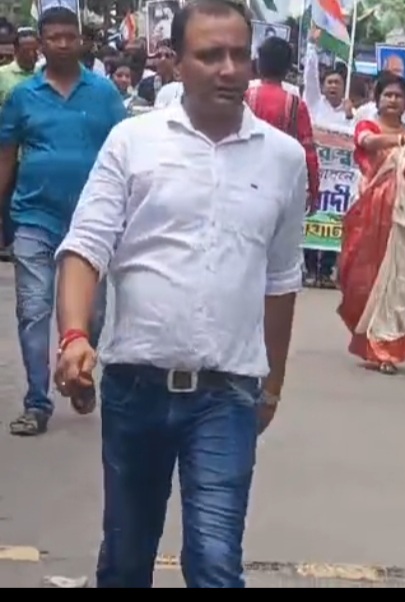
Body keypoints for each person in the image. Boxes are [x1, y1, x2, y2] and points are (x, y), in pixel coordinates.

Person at [54, 0, 305, 586]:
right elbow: (86, 246)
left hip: (227, 395)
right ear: (178, 62)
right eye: (210, 55)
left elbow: (281, 279)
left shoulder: (284, 159)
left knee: (215, 562)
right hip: (134, 387)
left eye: (239, 54)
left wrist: (271, 386)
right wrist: (73, 336)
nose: (229, 68)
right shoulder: (132, 142)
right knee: (126, 559)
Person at [0, 7, 125, 437]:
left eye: (70, 36)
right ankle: (37, 402)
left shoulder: (105, 94)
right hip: (34, 218)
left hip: (92, 224)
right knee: (33, 310)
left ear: (81, 40)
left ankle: (80, 374)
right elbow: (5, 158)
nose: (64, 44)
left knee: (92, 313)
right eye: (54, 37)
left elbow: (125, 156)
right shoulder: (22, 97)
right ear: (40, 43)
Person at [338, 71, 405, 375]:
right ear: (377, 99)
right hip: (374, 211)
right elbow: (368, 143)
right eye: (388, 95)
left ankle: (388, 344)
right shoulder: (369, 127)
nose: (393, 100)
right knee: (370, 276)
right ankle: (374, 341)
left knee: (404, 276)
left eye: (399, 96)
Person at [245, 36, 319, 213]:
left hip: (244, 181)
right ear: (287, 68)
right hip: (280, 186)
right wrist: (314, 191)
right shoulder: (296, 105)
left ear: (259, 64)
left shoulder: (244, 97)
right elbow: (309, 152)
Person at [0, 28, 38, 261]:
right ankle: (10, 241)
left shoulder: (42, 75)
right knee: (8, 193)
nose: (32, 55)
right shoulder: (3, 75)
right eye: (26, 51)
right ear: (16, 51)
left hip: (33, 147)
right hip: (8, 147)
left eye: (35, 50)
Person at [303, 44, 351, 129]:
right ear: (323, 87)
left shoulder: (349, 111)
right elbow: (310, 76)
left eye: (337, 82)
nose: (333, 85)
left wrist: (349, 116)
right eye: (330, 82)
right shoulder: (315, 102)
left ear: (343, 87)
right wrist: (311, 46)